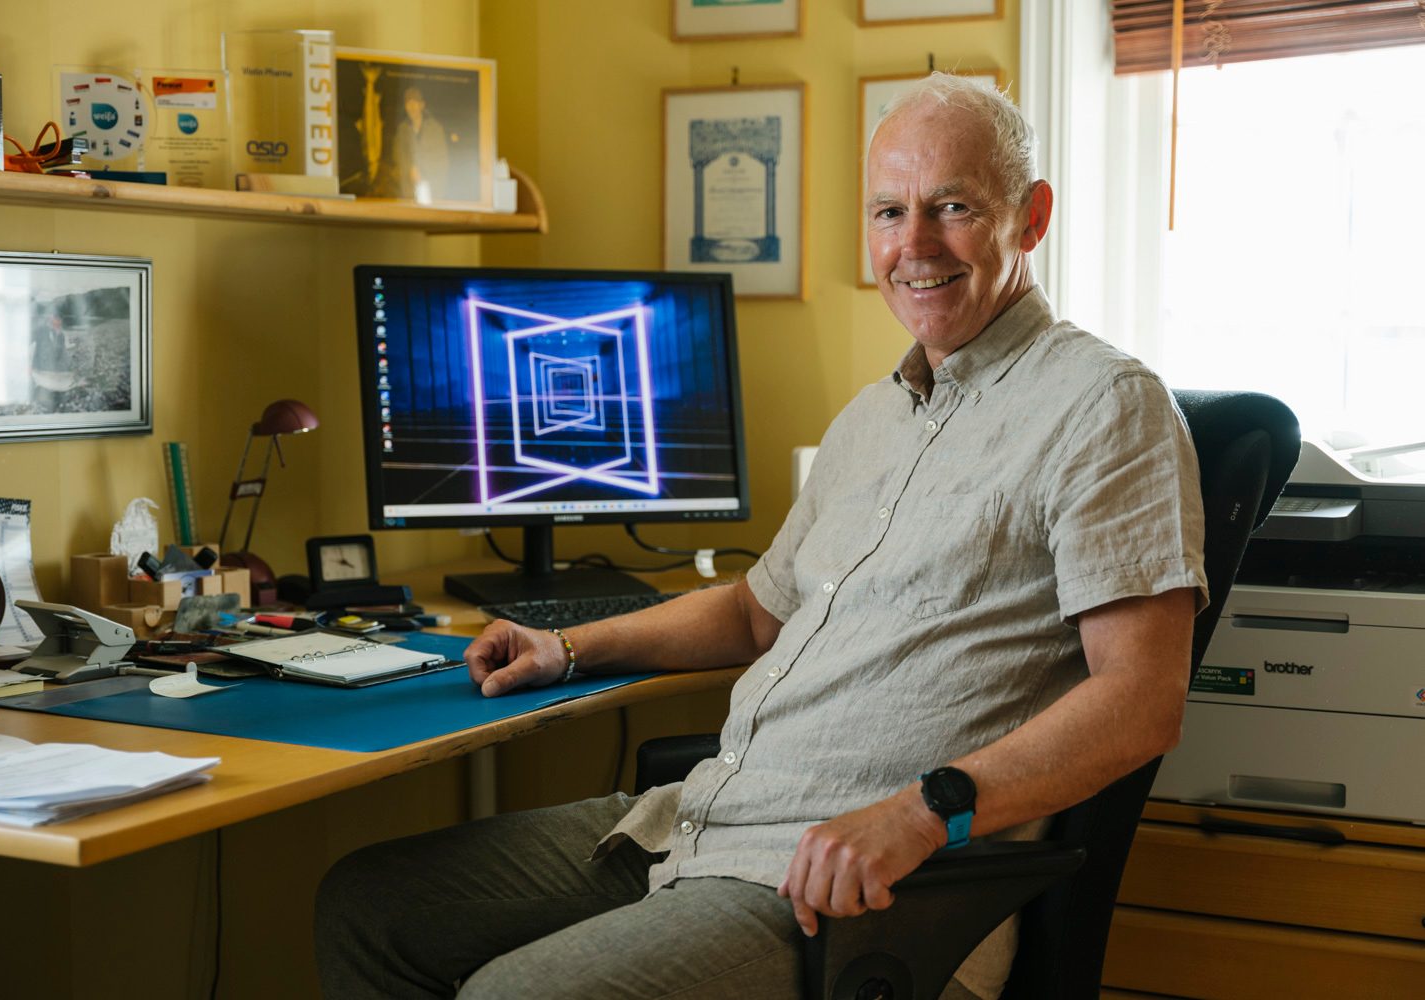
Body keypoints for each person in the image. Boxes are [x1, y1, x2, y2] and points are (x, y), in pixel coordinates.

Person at [315, 73, 1206, 1000]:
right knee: (371, 905)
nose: (915, 245)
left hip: (859, 880)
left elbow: (1142, 700)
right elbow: (753, 613)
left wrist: (919, 813)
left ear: (1032, 216)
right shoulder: (873, 418)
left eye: (954, 208)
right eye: (890, 212)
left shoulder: (1104, 405)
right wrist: (567, 645)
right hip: (704, 815)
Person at [392, 85, 450, 203]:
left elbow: (443, 159)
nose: (412, 107)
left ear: (422, 105)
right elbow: (397, 154)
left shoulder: (436, 128)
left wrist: (425, 174)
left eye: (415, 103)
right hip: (408, 190)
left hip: (433, 189)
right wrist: (410, 168)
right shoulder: (402, 129)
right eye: (408, 104)